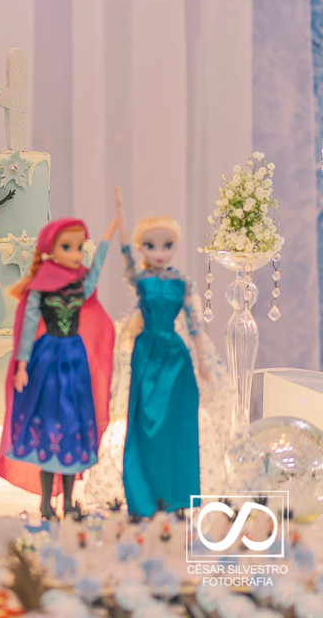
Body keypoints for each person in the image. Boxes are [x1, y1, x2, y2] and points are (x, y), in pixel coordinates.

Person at [0, 216, 117, 520]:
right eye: (68, 246)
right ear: (52, 248)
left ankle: (67, 502)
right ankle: (47, 504)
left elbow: (96, 274)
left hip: (74, 361)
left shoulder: (80, 283)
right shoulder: (40, 288)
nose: (76, 254)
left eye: (79, 247)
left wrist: (107, 237)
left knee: (71, 428)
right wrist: (22, 364)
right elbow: (26, 326)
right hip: (47, 359)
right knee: (49, 425)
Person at [113, 188, 207, 517]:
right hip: (147, 354)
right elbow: (125, 252)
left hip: (176, 358)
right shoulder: (141, 281)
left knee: (178, 427)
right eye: (151, 245)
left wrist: (203, 362)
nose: (160, 252)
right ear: (142, 248)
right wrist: (121, 211)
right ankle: (143, 499)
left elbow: (194, 326)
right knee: (144, 423)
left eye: (167, 245)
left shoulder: (182, 282)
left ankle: (177, 499)